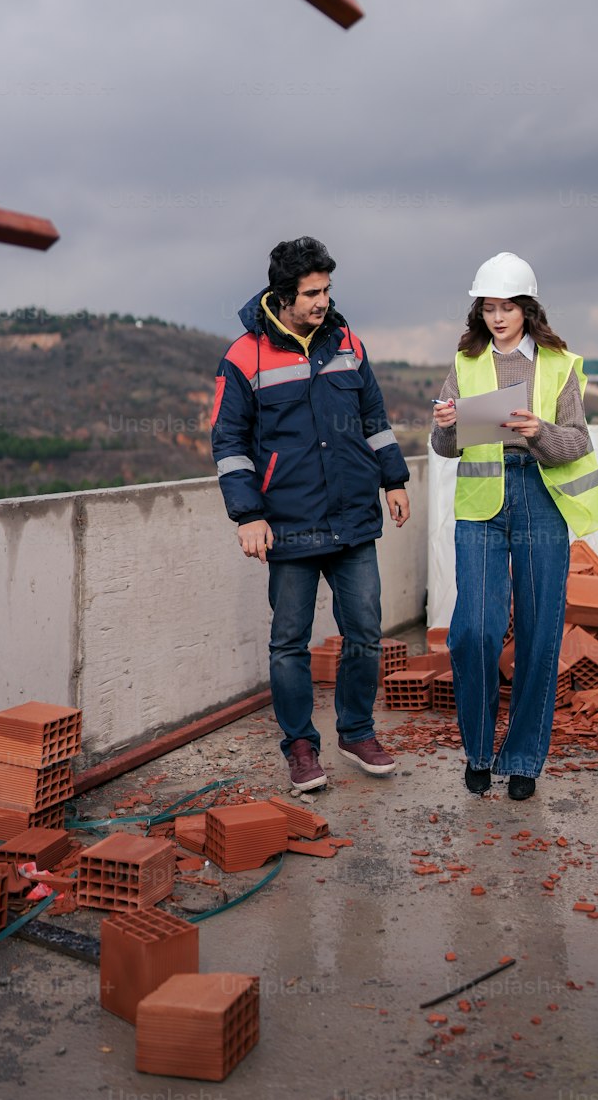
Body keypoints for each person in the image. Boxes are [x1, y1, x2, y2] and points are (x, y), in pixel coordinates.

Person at [212, 236, 410, 791]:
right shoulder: (244, 356)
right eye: (311, 292)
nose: (323, 301)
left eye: (327, 289)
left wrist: (393, 477)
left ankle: (357, 731)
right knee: (289, 643)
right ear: (283, 294)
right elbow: (228, 441)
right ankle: (301, 746)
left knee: (366, 632)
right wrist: (247, 515)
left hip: (352, 518)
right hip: (289, 522)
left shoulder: (347, 342)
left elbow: (374, 414)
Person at [431, 252, 598, 801]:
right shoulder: (464, 363)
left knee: (538, 635)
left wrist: (538, 431)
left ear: (528, 309)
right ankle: (479, 750)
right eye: (488, 308)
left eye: (507, 307)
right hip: (482, 502)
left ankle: (524, 759)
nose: (497, 318)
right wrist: (445, 426)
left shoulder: (560, 364)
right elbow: (444, 448)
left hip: (540, 499)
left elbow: (577, 441)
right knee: (473, 632)